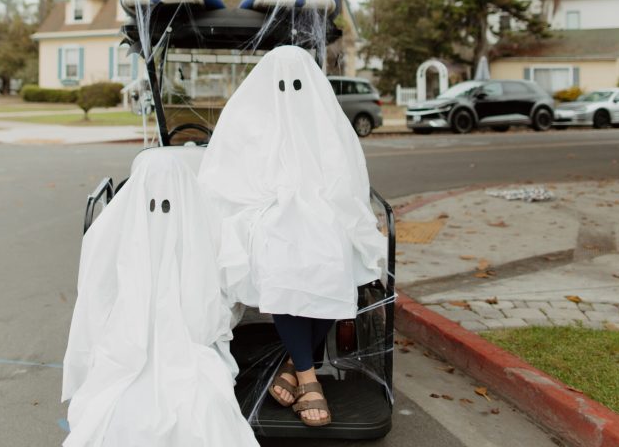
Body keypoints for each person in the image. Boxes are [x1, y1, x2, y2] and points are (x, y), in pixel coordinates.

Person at [197, 45, 386, 427]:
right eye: (280, 85)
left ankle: (293, 365)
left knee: (336, 253)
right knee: (280, 254)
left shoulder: (323, 121)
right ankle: (307, 374)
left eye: (297, 84)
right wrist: (274, 203)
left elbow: (344, 178)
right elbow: (227, 178)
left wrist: (324, 208)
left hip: (320, 213)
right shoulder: (249, 118)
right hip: (261, 213)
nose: (288, 94)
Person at [62, 149, 259, 447]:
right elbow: (98, 295)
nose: (160, 214)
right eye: (152, 204)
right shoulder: (117, 234)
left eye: (168, 205)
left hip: (188, 341)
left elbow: (232, 282)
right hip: (130, 346)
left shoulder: (206, 226)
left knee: (196, 405)